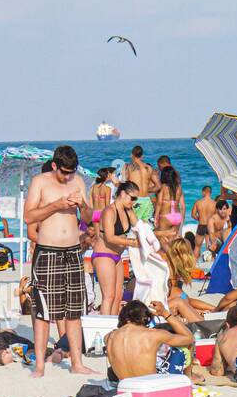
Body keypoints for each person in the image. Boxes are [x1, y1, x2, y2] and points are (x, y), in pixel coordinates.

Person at [23, 145, 93, 377]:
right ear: (54, 166)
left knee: (74, 311)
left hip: (73, 251)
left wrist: (81, 205)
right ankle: (40, 365)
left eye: (71, 172)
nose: (67, 177)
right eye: (64, 172)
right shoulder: (40, 182)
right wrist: (56, 206)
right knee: (44, 312)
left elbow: (88, 218)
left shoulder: (79, 182)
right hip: (47, 251)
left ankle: (77, 363)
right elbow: (28, 216)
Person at [105, 300, 195, 381]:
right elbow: (190, 338)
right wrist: (165, 313)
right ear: (145, 318)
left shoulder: (108, 337)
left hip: (126, 387)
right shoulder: (153, 334)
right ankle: (188, 379)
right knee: (184, 346)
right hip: (152, 387)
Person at [95, 180, 140, 316]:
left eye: (136, 199)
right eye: (132, 198)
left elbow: (139, 226)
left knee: (117, 297)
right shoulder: (109, 211)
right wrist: (132, 242)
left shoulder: (127, 210)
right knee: (108, 296)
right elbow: (109, 237)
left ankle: (113, 328)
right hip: (104, 255)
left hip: (117, 256)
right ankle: (104, 332)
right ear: (122, 193)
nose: (133, 202)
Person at [124, 146, 156, 223]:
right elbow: (158, 186)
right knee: (147, 227)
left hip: (136, 201)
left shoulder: (129, 167)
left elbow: (125, 184)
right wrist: (146, 190)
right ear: (142, 156)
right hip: (147, 200)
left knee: (134, 227)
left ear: (131, 155)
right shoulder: (149, 168)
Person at [191, 186, 216, 255]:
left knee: (197, 247)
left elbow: (193, 215)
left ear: (204, 192)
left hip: (201, 225)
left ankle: (195, 262)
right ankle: (212, 261)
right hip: (210, 226)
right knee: (212, 246)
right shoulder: (214, 203)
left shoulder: (198, 202)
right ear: (210, 192)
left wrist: (199, 219)